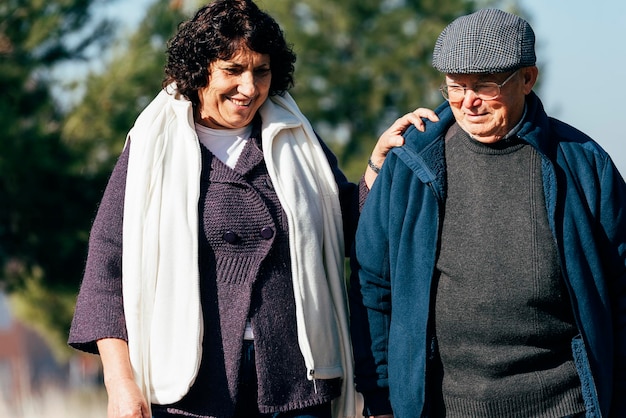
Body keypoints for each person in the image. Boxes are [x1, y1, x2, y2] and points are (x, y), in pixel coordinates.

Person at [67, 1, 437, 417]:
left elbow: (348, 228)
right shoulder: (153, 145)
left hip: (297, 384)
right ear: (200, 69)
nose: (249, 87)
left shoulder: (296, 138)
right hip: (190, 390)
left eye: (261, 71)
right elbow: (106, 269)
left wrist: (377, 167)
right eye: (233, 70)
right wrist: (120, 383)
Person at [350, 8, 626, 418]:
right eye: (454, 88)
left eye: (484, 85)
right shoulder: (411, 163)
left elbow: (620, 291)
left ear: (527, 79)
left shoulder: (585, 165)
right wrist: (382, 398)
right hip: (442, 408)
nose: (468, 101)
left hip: (563, 405)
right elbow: (373, 286)